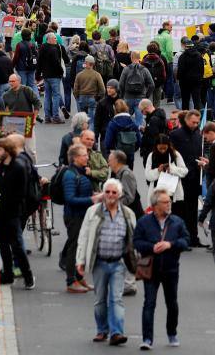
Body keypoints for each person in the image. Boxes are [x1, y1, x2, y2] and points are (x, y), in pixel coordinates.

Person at [76, 178, 136, 345]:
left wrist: (136, 263)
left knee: (116, 299)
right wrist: (80, 261)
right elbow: (84, 236)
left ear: (120, 195)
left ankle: (117, 332)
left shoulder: (128, 214)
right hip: (99, 263)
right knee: (100, 299)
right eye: (107, 192)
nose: (110, 195)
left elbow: (134, 240)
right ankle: (102, 330)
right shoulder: (93, 212)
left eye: (114, 192)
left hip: (118, 263)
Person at [133, 188, 190, 349]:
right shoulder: (144, 222)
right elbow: (136, 242)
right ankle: (147, 339)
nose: (169, 204)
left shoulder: (177, 222)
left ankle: (172, 333)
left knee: (172, 303)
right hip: (150, 269)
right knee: (149, 303)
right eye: (165, 202)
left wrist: (170, 244)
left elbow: (186, 241)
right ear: (156, 205)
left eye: (169, 201)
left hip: (171, 269)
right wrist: (152, 247)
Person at [0, 136, 35, 289]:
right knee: (2, 245)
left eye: (0, 150)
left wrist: (10, 207)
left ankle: (28, 275)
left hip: (12, 213)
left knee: (16, 246)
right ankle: (7, 274)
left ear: (8, 151)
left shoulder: (18, 168)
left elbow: (20, 193)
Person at [62, 143, 102, 293]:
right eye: (84, 155)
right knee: (74, 248)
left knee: (81, 247)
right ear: (75, 158)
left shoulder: (80, 172)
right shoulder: (70, 175)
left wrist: (91, 195)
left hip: (82, 215)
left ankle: (79, 278)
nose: (87, 157)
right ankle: (71, 281)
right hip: (74, 217)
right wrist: (92, 200)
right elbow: (70, 199)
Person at [170, 110, 204, 247]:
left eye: (197, 122)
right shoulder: (175, 135)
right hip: (181, 178)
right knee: (180, 209)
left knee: (193, 209)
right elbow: (171, 155)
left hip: (195, 177)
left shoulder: (197, 135)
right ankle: (182, 239)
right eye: (193, 122)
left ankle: (194, 238)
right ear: (186, 120)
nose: (195, 125)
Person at [144, 134, 188, 212]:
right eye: (160, 148)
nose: (162, 150)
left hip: (173, 193)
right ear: (156, 146)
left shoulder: (175, 155)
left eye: (165, 148)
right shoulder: (151, 156)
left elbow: (185, 171)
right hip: (156, 193)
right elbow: (147, 175)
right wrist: (158, 170)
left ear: (168, 145)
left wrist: (172, 169)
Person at [36, 31, 70, 123]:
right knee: (56, 95)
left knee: (47, 96)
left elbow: (39, 62)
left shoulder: (42, 48)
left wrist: (38, 74)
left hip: (46, 75)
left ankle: (47, 116)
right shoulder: (54, 49)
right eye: (54, 38)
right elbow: (56, 62)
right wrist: (61, 71)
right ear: (50, 39)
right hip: (54, 75)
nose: (56, 39)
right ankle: (55, 116)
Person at [118, 51, 154, 127]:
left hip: (128, 97)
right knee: (139, 122)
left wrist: (122, 95)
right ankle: (138, 136)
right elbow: (152, 85)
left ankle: (127, 136)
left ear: (131, 58)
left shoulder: (126, 69)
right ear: (139, 58)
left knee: (125, 119)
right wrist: (146, 96)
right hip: (140, 98)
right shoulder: (144, 69)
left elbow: (121, 84)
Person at [104, 99, 141, 169]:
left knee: (116, 177)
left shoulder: (112, 124)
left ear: (115, 109)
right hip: (130, 154)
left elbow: (108, 142)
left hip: (117, 155)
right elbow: (139, 141)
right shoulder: (133, 123)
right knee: (128, 176)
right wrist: (132, 149)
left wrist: (109, 153)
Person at [73, 55, 105, 130]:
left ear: (86, 63)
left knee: (82, 120)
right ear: (93, 64)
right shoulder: (97, 75)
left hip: (82, 97)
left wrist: (77, 97)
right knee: (92, 121)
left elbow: (75, 89)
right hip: (93, 98)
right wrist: (99, 97)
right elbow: (102, 89)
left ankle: (82, 136)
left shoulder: (79, 75)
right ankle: (91, 136)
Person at [176, 36, 204, 110]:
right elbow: (202, 69)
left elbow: (180, 70)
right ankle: (197, 118)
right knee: (196, 101)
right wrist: (200, 78)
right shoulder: (199, 56)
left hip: (185, 82)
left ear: (186, 47)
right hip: (196, 81)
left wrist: (179, 79)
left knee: (185, 101)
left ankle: (185, 118)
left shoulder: (182, 57)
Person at [94, 79, 119, 157]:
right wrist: (96, 136)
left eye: (111, 88)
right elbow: (97, 120)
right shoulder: (102, 103)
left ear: (116, 89)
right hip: (105, 135)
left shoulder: (121, 102)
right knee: (106, 161)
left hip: (118, 136)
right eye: (107, 87)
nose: (108, 89)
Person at [139, 99, 168, 164]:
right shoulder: (160, 116)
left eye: (142, 111)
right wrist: (146, 129)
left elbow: (153, 136)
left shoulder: (153, 119)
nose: (142, 113)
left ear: (146, 108)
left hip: (152, 152)